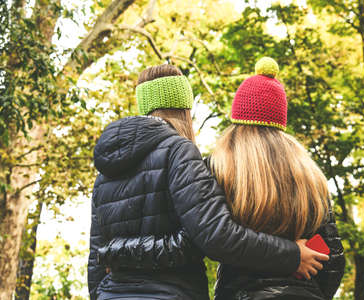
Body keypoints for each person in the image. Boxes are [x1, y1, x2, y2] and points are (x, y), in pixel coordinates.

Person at [87, 64, 329, 300]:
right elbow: (209, 238)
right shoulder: (180, 152)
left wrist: (112, 256)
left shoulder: (106, 172)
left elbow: (95, 261)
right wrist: (292, 256)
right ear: (184, 110)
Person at [209, 57, 345, 300]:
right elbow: (334, 259)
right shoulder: (311, 176)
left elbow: (212, 239)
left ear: (237, 117)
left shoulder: (220, 167)